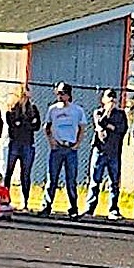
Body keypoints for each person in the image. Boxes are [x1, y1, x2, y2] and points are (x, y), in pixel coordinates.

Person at [38, 81, 88, 217]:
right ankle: (46, 206)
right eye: (58, 93)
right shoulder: (53, 109)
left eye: (63, 93)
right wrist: (51, 141)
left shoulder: (77, 110)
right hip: (57, 148)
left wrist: (77, 143)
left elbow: (82, 127)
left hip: (70, 148)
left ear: (69, 95)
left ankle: (73, 208)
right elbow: (46, 127)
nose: (60, 96)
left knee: (71, 180)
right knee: (52, 179)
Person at [83, 88, 128, 220]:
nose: (111, 100)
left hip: (114, 152)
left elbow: (121, 129)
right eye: (109, 97)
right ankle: (90, 208)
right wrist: (108, 113)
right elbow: (100, 123)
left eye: (113, 98)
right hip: (100, 150)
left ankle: (113, 209)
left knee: (114, 182)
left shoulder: (121, 114)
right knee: (94, 180)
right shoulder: (98, 112)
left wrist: (111, 126)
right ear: (103, 100)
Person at [3, 85, 40, 210]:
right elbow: (13, 124)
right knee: (9, 172)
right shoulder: (12, 109)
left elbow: (36, 125)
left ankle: (26, 202)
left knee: (25, 174)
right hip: (15, 143)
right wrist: (27, 123)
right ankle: (6, 199)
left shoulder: (33, 109)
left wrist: (24, 124)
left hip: (28, 144)